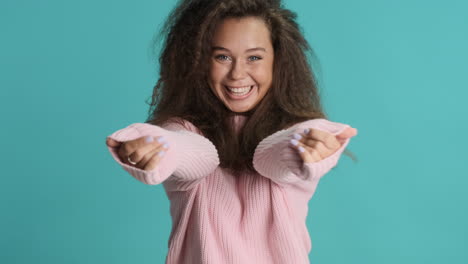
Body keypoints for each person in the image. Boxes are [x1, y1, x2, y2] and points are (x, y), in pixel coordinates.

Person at [105, 0, 358, 263]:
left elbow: (275, 156)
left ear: (278, 61)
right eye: (222, 57)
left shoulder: (294, 134)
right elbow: (192, 152)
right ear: (199, 61)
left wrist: (306, 144)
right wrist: (157, 145)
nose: (237, 74)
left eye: (254, 58)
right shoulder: (183, 130)